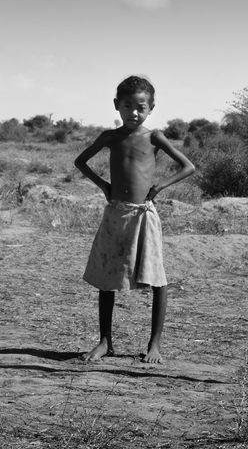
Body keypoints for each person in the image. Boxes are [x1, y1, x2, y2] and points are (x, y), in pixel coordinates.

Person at [73, 75, 195, 364]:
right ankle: (105, 342)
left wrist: (161, 186)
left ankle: (155, 344)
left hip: (143, 214)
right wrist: (103, 186)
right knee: (107, 277)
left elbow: (188, 166)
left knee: (157, 279)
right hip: (116, 213)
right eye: (128, 106)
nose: (134, 113)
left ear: (151, 108)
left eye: (141, 107)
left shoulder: (154, 137)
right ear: (117, 105)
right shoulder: (109, 137)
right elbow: (80, 162)